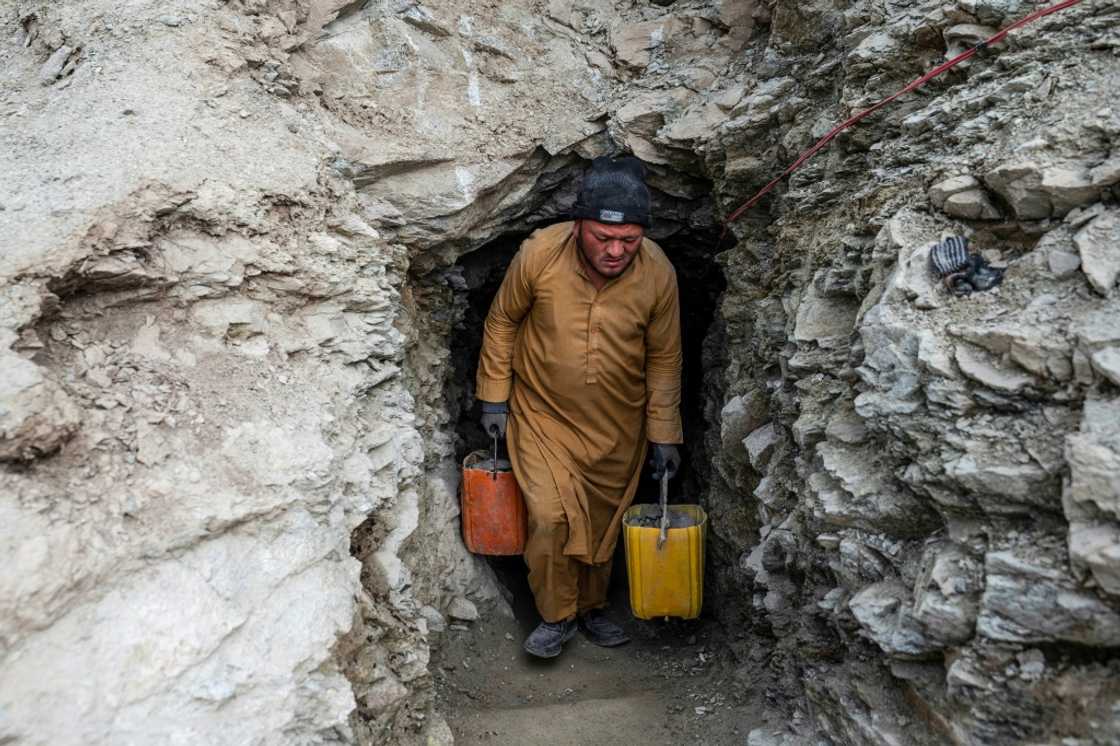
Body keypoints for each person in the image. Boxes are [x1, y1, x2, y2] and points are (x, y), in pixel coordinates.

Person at [474, 156, 683, 659]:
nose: (615, 251)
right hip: (541, 416)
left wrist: (664, 434)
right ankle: (557, 615)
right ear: (578, 227)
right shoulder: (540, 254)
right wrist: (494, 397)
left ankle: (591, 608)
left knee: (602, 522)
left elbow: (665, 358)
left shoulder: (658, 272)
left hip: (618, 426)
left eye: (629, 240)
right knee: (551, 518)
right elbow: (502, 322)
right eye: (602, 238)